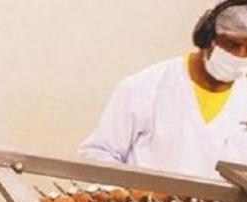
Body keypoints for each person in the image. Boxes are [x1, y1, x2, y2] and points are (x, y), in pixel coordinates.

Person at [78, 0, 247, 179]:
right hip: (145, 196)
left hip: (218, 199)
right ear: (205, 39)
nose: (241, 56)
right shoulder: (144, 87)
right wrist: (132, 190)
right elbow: (97, 154)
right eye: (232, 45)